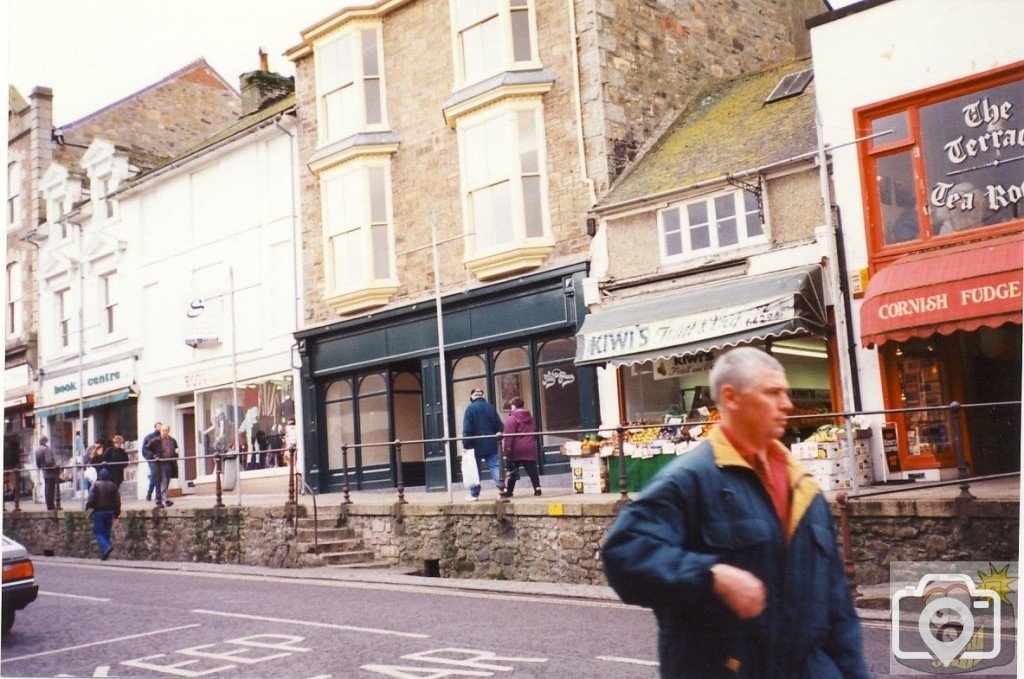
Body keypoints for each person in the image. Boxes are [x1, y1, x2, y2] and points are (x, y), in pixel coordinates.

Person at [601, 347, 868, 678]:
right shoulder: (689, 480)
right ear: (731, 397)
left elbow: (838, 609)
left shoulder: (805, 488)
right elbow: (623, 555)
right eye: (772, 392)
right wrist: (710, 576)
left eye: (784, 392)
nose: (786, 404)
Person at [461, 387, 504, 501]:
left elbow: (467, 428)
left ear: (472, 397)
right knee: (495, 466)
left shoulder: (470, 409)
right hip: (491, 442)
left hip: (475, 444)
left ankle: (474, 494)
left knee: (475, 469)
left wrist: (465, 444)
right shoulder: (490, 407)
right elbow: (499, 426)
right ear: (483, 396)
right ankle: (501, 489)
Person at [502, 397, 541, 497]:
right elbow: (535, 432)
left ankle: (509, 491)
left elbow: (509, 436)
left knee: (513, 470)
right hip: (529, 447)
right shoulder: (530, 418)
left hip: (516, 449)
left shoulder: (512, 418)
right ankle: (537, 488)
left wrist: (507, 450)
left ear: (514, 406)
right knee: (532, 469)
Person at [85, 468, 120, 560]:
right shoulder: (113, 486)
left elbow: (91, 500)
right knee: (106, 532)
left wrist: (88, 511)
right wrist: (116, 514)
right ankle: (105, 554)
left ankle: (107, 547)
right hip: (110, 512)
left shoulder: (95, 485)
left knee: (98, 533)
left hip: (99, 512)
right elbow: (117, 502)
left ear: (99, 476)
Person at [145, 425, 179, 508]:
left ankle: (164, 499)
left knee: (167, 480)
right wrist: (154, 456)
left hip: (170, 463)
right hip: (160, 463)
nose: (164, 432)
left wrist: (176, 456)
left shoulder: (172, 440)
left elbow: (176, 450)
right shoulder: (155, 440)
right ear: (160, 431)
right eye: (163, 430)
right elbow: (147, 449)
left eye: (166, 430)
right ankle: (164, 500)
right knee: (162, 481)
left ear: (168, 431)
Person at [33, 436, 59, 510]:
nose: (46, 442)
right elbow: (49, 461)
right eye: (46, 441)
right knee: (51, 489)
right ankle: (51, 506)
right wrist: (55, 465)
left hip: (44, 471)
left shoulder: (37, 450)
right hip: (50, 471)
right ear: (44, 441)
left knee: (47, 488)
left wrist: (42, 466)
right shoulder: (46, 449)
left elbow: (38, 464)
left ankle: (49, 505)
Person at [141, 422, 161, 501]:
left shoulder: (163, 437)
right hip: (152, 459)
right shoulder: (149, 437)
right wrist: (152, 456)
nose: (159, 428)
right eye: (158, 426)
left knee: (157, 476)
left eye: (160, 426)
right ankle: (151, 493)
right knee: (155, 474)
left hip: (161, 459)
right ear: (155, 427)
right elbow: (145, 449)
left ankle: (153, 493)